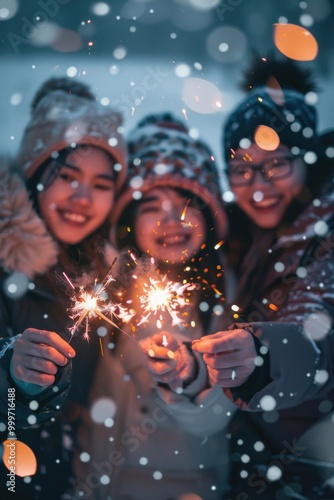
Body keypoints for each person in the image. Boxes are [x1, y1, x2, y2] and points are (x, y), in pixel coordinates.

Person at [71, 113, 236, 500]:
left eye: (185, 204)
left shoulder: (226, 295)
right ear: (129, 222)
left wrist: (186, 376)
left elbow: (219, 414)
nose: (170, 220)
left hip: (196, 484)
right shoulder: (106, 291)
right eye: (151, 207)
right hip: (107, 485)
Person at [192, 56, 334, 499]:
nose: (258, 185)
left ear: (306, 161)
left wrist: (265, 354)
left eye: (276, 166)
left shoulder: (324, 234)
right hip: (259, 455)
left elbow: (315, 331)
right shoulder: (242, 235)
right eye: (242, 168)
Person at [0, 76, 127, 499]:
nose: (82, 197)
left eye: (101, 184)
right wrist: (12, 376)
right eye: (67, 175)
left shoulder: (104, 278)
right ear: (35, 172)